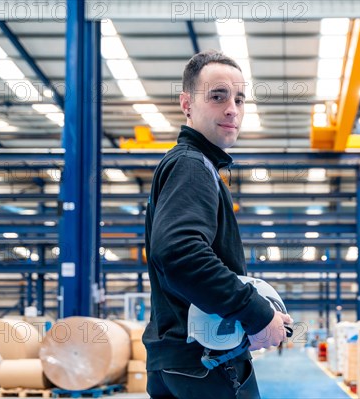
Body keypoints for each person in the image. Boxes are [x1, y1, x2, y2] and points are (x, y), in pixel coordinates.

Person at [144, 49, 293, 399]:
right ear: (186, 104)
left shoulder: (190, 165)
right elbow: (180, 255)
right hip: (206, 366)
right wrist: (256, 312)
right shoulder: (191, 166)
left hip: (179, 364)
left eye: (240, 99)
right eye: (218, 96)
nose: (232, 109)